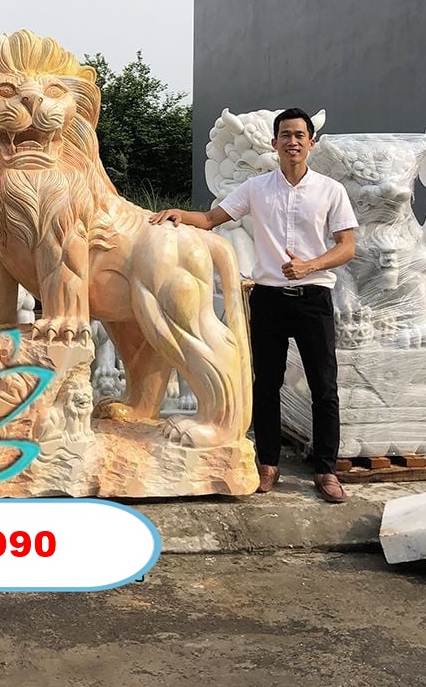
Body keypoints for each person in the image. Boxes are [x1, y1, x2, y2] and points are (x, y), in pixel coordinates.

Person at [151, 107, 357, 503]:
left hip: (314, 297)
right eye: (286, 135)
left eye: (299, 135)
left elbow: (347, 246)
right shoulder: (256, 188)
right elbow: (211, 218)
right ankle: (268, 464)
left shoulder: (331, 190)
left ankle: (326, 470)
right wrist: (179, 216)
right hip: (268, 299)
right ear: (275, 142)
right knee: (265, 384)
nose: (293, 142)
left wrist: (310, 265)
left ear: (311, 143)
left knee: (324, 387)